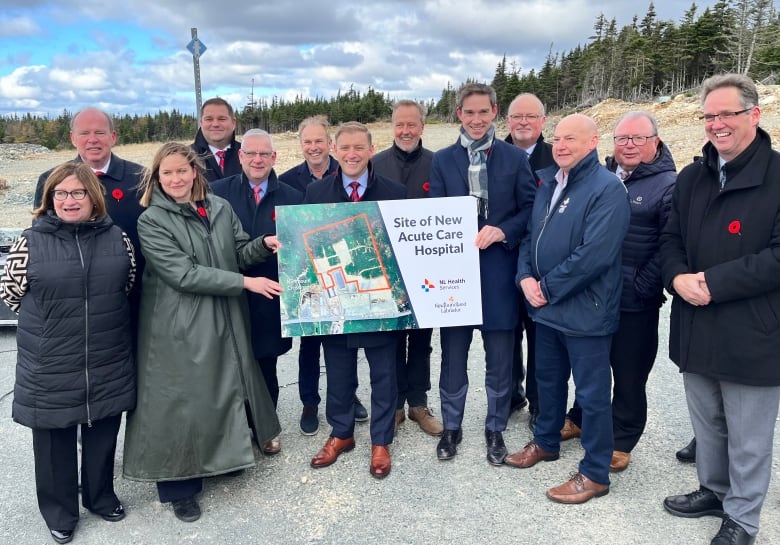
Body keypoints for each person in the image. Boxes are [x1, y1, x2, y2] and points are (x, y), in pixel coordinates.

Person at [122, 143, 281, 523]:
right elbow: (182, 273)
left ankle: (222, 459)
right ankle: (179, 486)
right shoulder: (153, 220)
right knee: (179, 401)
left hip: (221, 313)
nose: (175, 179)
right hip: (176, 323)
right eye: (167, 173)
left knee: (220, 386)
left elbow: (237, 250)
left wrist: (263, 244)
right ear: (157, 178)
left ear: (195, 171)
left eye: (181, 170)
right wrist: (246, 283)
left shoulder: (219, 207)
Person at [661, 74, 780, 545]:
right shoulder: (693, 176)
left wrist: (711, 282)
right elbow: (669, 238)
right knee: (707, 421)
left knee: (749, 435)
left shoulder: (777, 176)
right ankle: (713, 490)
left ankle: (743, 519)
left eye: (726, 114)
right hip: (695, 321)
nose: (716, 124)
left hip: (753, 330)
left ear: (754, 114)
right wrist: (676, 277)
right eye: (709, 116)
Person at [1, 163, 136, 544]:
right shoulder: (30, 242)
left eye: (77, 193)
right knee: (53, 441)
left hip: (106, 354)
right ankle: (60, 511)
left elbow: (126, 285)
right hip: (50, 360)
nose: (69, 200)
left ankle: (99, 496)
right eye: (60, 194)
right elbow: (11, 295)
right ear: (49, 200)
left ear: (93, 196)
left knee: (101, 429)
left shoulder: (118, 238)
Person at [506, 114, 630, 505]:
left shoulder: (607, 188)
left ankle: (595, 472)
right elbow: (529, 235)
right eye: (557, 138)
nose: (560, 145)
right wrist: (525, 277)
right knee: (549, 381)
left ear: (593, 142)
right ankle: (546, 441)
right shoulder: (548, 181)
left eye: (570, 139)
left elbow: (594, 255)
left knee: (592, 396)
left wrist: (546, 287)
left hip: (586, 312)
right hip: (547, 308)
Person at [559, 111, 676, 472]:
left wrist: (643, 285)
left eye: (638, 138)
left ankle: (623, 438)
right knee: (590, 364)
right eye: (622, 138)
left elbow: (670, 244)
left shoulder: (669, 184)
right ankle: (579, 416)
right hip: (595, 293)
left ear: (655, 141)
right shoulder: (601, 177)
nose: (628, 145)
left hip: (634, 298)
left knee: (629, 372)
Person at [429, 83, 536, 465]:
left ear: (495, 112)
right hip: (455, 278)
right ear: (459, 114)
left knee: (500, 359)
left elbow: (530, 211)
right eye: (468, 113)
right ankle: (451, 427)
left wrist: (504, 230)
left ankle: (495, 428)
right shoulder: (442, 161)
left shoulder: (514, 159)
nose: (476, 120)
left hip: (498, 275)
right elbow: (433, 216)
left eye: (483, 112)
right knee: (453, 358)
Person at [305, 122, 406, 479]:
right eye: (344, 147)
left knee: (384, 373)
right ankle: (342, 432)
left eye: (358, 148)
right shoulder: (314, 193)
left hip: (379, 302)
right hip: (337, 300)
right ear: (334, 149)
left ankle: (381, 440)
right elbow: (306, 248)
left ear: (370, 149)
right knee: (339, 372)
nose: (351, 154)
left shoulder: (394, 193)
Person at [212, 129, 304, 455]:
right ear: (240, 156)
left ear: (274, 157)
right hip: (228, 292)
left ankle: (266, 429)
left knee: (265, 366)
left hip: (271, 295)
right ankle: (234, 434)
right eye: (250, 153)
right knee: (228, 368)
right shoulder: (216, 194)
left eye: (264, 154)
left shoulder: (292, 197)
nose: (257, 160)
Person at [279, 116, 368, 435]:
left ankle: (348, 395)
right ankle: (310, 402)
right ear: (301, 145)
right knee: (310, 344)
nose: (314, 147)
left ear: (330, 144)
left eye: (319, 141)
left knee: (347, 339)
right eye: (307, 142)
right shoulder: (288, 180)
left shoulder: (347, 170)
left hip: (344, 270)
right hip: (310, 276)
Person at [33, 107, 145, 333]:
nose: (92, 140)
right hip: (73, 301)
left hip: (133, 298)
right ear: (73, 138)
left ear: (113, 137)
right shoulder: (51, 180)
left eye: (100, 133)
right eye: (84, 133)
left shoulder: (141, 178)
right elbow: (41, 241)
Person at [372, 100, 443, 437]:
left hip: (426, 267)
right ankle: (395, 403)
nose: (405, 131)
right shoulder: (375, 164)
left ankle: (418, 402)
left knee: (422, 338)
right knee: (391, 339)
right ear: (392, 126)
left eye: (411, 125)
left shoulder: (437, 163)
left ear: (422, 127)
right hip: (386, 269)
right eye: (399, 125)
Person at [503, 92, 556, 431]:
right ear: (506, 121)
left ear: (542, 121)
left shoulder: (558, 155)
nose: (523, 122)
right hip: (502, 258)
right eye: (517, 116)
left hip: (543, 264)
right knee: (506, 334)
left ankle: (540, 402)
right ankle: (509, 395)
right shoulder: (494, 155)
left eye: (530, 116)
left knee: (542, 337)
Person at [191, 97, 242, 182]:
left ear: (233, 123)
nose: (215, 124)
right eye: (209, 119)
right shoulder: (187, 157)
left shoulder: (250, 155)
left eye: (222, 119)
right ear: (201, 123)